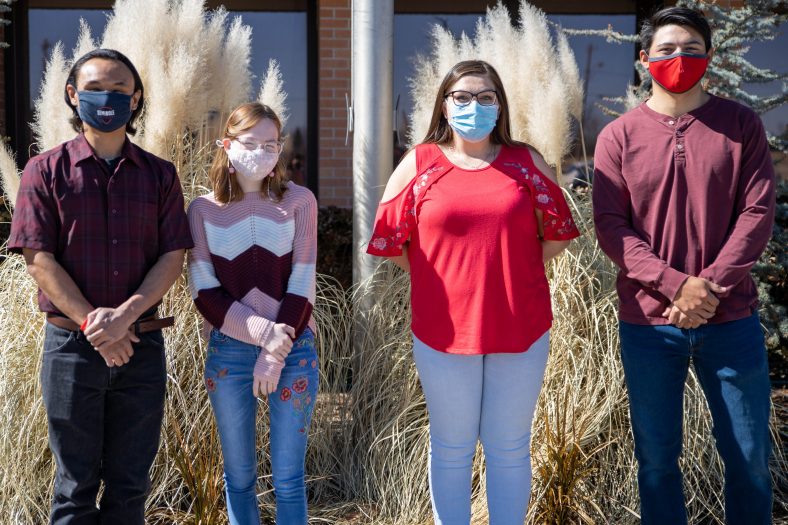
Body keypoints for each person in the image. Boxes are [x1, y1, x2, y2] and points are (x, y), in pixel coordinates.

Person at [367, 60, 580, 525]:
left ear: (500, 105)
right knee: (451, 445)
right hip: (443, 329)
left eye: (485, 97)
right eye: (461, 97)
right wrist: (437, 272)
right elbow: (389, 240)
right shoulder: (420, 164)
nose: (473, 106)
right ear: (444, 106)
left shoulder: (526, 161)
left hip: (520, 324)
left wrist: (512, 270)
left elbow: (559, 233)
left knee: (508, 446)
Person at [592, 7, 775, 525]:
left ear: (710, 59)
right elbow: (611, 226)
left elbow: (757, 214)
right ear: (645, 59)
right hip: (649, 325)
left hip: (732, 320)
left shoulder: (741, 126)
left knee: (750, 461)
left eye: (692, 49)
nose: (679, 59)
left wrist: (707, 288)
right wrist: (675, 286)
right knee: (655, 462)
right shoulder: (618, 137)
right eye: (667, 49)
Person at [8, 48, 193, 524]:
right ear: (72, 95)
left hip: (142, 348)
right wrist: (97, 325)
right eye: (93, 89)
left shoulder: (160, 174)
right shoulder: (43, 171)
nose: (106, 98)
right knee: (74, 487)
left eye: (118, 89)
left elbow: (173, 256)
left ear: (135, 101)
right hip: (70, 348)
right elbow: (38, 258)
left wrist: (125, 318)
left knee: (131, 489)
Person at [187, 102, 319, 525]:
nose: (263, 153)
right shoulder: (203, 211)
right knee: (239, 478)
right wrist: (265, 337)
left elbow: (302, 282)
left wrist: (276, 350)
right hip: (229, 352)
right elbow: (205, 293)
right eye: (252, 143)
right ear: (227, 146)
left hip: (295, 349)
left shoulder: (299, 202)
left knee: (288, 479)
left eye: (272, 144)